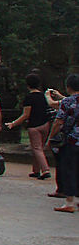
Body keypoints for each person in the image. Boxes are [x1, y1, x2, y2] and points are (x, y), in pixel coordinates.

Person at [6, 73, 51, 179]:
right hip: (45, 124)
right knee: (39, 148)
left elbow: (26, 115)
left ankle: (45, 170)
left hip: (34, 126)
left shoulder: (29, 98)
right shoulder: (43, 96)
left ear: (28, 85)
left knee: (36, 148)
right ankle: (36, 170)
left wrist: (13, 123)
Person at [45, 73, 79, 213]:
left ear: (68, 87)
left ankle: (69, 202)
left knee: (69, 170)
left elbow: (59, 122)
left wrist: (50, 139)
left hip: (71, 141)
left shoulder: (67, 102)